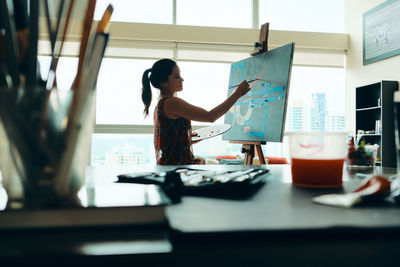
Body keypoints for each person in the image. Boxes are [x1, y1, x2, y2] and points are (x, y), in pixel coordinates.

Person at [141, 58, 250, 165]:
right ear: (163, 82)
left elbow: (169, 141)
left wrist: (187, 138)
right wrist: (237, 94)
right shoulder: (171, 102)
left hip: (169, 167)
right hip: (174, 169)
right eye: (176, 77)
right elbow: (210, 116)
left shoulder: (161, 104)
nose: (182, 79)